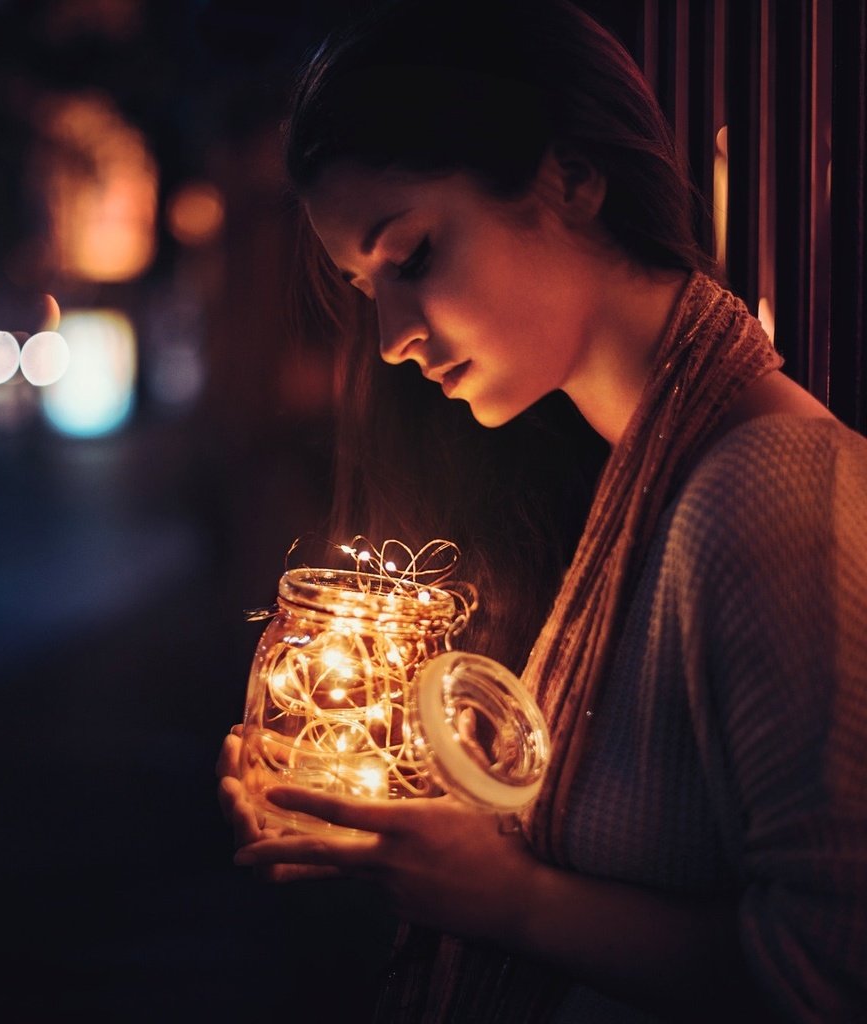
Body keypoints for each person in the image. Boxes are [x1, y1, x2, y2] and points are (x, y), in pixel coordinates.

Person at [216, 1, 867, 1020]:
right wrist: (391, 819)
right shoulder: (624, 482)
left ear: (571, 178)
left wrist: (509, 900)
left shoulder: (764, 491)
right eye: (362, 287)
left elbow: (828, 975)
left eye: (414, 255)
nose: (389, 336)